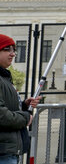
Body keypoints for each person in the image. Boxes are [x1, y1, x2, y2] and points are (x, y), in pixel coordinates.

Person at [0, 34, 41, 164]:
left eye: (14, 50)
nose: (13, 54)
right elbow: (2, 116)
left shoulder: (4, 77)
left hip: (7, 149)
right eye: (7, 49)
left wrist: (23, 105)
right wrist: (25, 117)